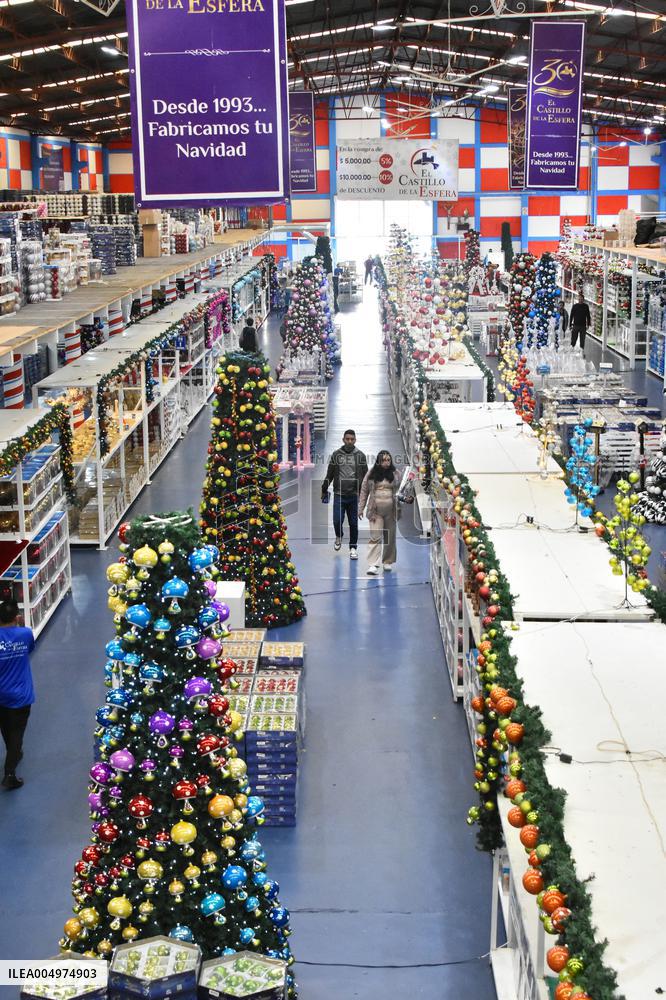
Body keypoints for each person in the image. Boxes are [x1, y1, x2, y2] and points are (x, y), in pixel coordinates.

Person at [0, 599, 35, 790]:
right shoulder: (25, 634)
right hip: (21, 695)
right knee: (17, 732)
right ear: (17, 617)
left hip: (1, 695)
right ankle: (9, 774)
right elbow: (29, 650)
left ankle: (14, 752)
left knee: (5, 726)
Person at [321, 429, 368, 560]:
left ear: (355, 440)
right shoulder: (336, 455)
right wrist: (324, 488)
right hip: (339, 495)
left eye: (352, 439)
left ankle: (353, 548)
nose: (349, 441)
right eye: (347, 439)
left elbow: (366, 478)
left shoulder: (360, 456)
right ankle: (339, 535)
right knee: (337, 520)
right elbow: (329, 474)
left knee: (353, 523)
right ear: (343, 440)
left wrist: (364, 498)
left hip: (354, 496)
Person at [359, 451, 401, 575]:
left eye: (388, 460)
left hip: (391, 511)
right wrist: (360, 508)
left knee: (390, 537)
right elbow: (364, 490)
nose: (386, 463)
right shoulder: (371, 474)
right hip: (375, 511)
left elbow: (401, 490)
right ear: (378, 461)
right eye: (383, 460)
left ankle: (387, 561)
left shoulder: (396, 473)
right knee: (375, 536)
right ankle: (373, 564)